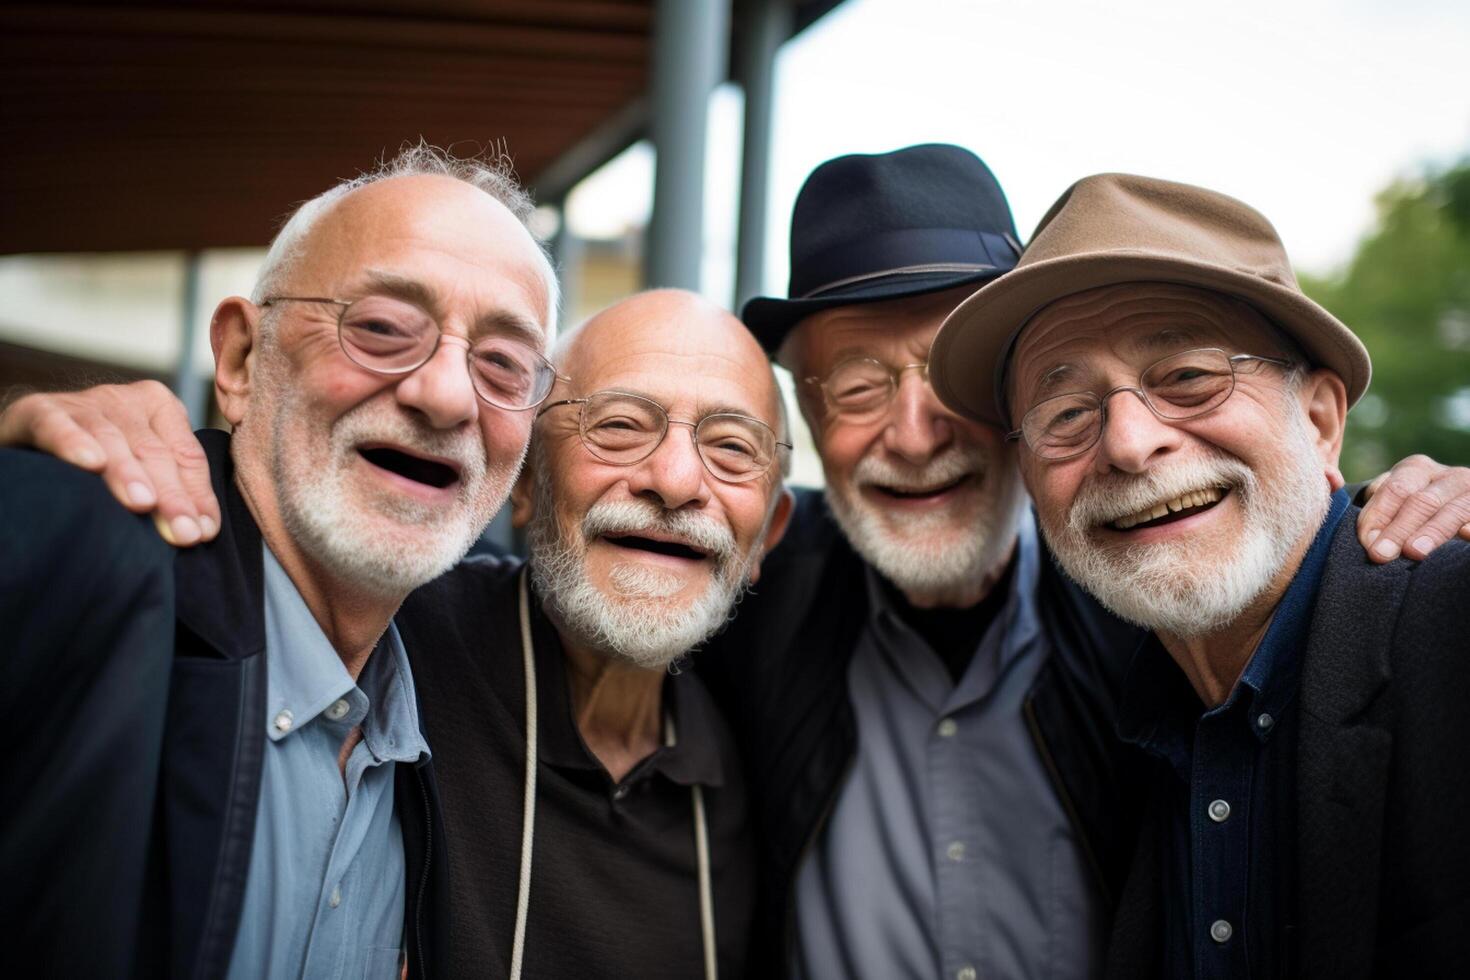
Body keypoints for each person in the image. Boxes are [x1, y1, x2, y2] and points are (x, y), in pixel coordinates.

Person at [698, 144, 1470, 980]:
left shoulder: (1157, 608)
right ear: (808, 419)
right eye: (855, 388)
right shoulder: (742, 599)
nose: (916, 436)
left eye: (1188, 376)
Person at [0, 143, 560, 978]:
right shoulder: (71, 564)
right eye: (380, 328)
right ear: (240, 359)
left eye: (504, 366)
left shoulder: (461, 698)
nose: (445, 396)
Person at [930, 172, 1470, 978]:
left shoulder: (1449, 624)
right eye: (1066, 414)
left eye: (1188, 376)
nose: (1128, 442)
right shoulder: (1144, 718)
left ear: (1321, 421)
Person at [393, 288, 792, 978]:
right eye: (618, 425)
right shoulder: (397, 639)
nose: (673, 481)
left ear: (768, 536)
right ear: (525, 478)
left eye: (731, 447)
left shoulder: (748, 775)